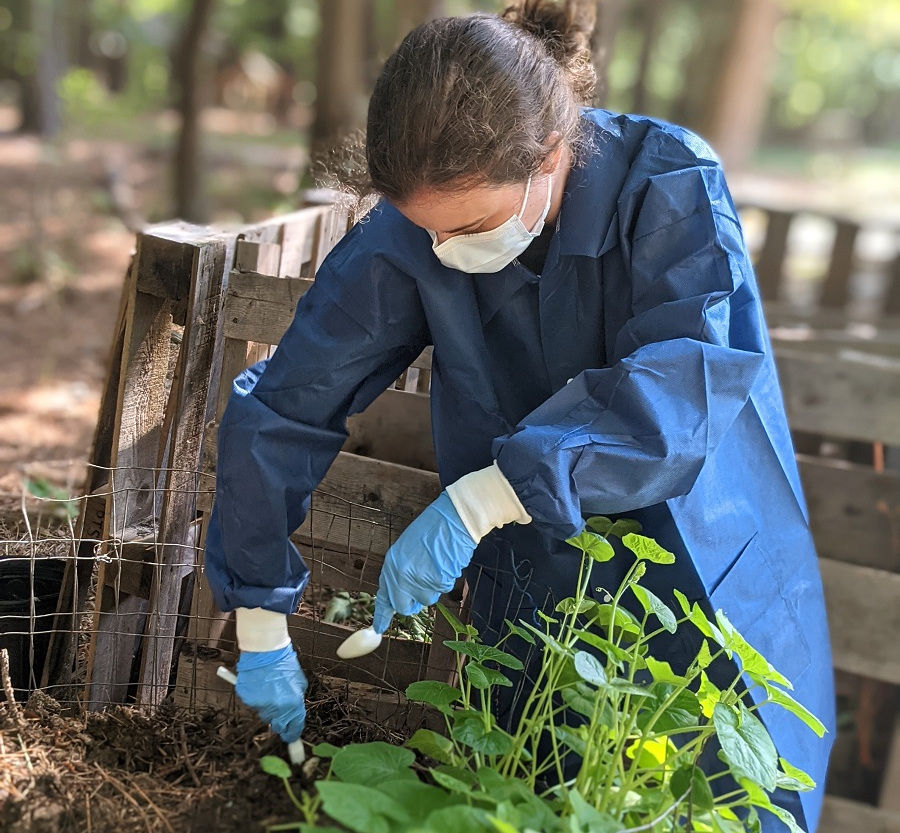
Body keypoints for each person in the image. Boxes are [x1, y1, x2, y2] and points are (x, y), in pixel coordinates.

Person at [205, 2, 835, 829]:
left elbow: (683, 388)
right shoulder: (412, 233)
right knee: (535, 784)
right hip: (536, 580)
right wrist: (257, 614)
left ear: (549, 156)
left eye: (467, 226)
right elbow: (290, 401)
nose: (444, 253)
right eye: (427, 232)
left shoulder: (668, 182)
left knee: (708, 792)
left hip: (707, 562)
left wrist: (484, 497)